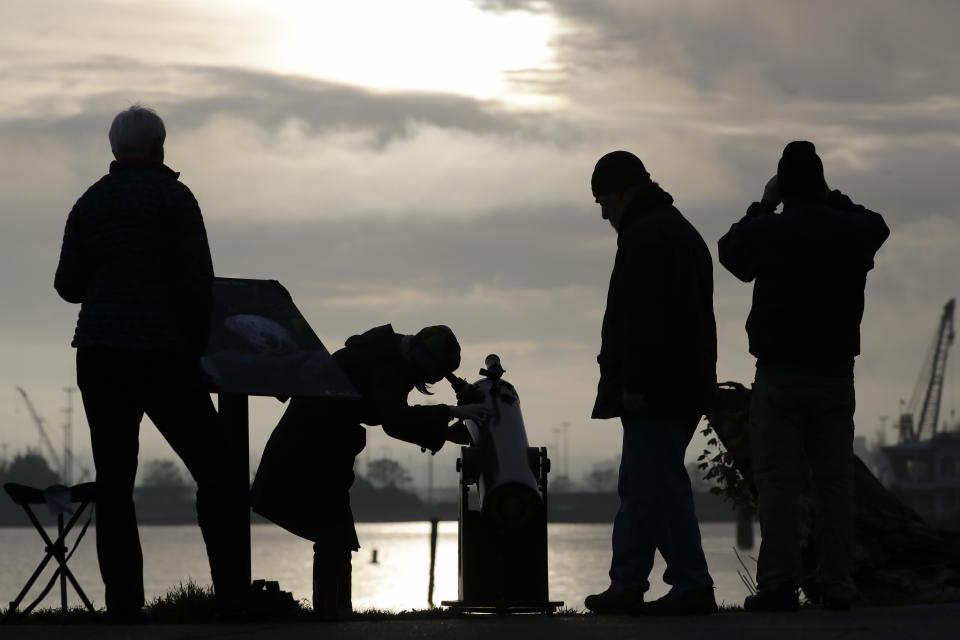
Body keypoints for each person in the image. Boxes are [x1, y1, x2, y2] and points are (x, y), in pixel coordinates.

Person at [54, 105, 247, 620]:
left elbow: (66, 286)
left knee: (115, 484)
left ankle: (124, 606)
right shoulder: (175, 198)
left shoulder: (89, 202)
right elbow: (199, 282)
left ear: (113, 149)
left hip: (100, 356)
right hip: (166, 357)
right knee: (217, 471)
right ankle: (230, 595)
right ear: (161, 146)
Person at [718, 141, 889, 611]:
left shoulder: (772, 230)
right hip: (835, 373)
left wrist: (765, 201)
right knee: (835, 482)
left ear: (784, 183)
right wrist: (833, 199)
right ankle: (837, 583)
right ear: (821, 181)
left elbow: (730, 252)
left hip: (780, 374)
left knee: (778, 483)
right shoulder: (848, 229)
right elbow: (878, 225)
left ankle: (777, 584)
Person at [250, 323, 488, 620]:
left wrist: (444, 432)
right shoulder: (386, 365)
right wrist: (450, 413)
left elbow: (393, 418)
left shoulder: (384, 355)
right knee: (334, 534)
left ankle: (333, 612)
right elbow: (394, 418)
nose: (425, 382)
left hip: (316, 444)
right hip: (312, 447)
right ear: (421, 361)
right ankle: (332, 615)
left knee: (333, 535)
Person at [584, 151, 718, 616]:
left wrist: (634, 382)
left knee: (656, 484)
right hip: (683, 382)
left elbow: (643, 320)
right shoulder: (675, 229)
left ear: (622, 193)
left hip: (658, 388)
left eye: (603, 200)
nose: (603, 212)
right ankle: (627, 583)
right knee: (641, 485)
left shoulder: (646, 237)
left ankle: (691, 583)